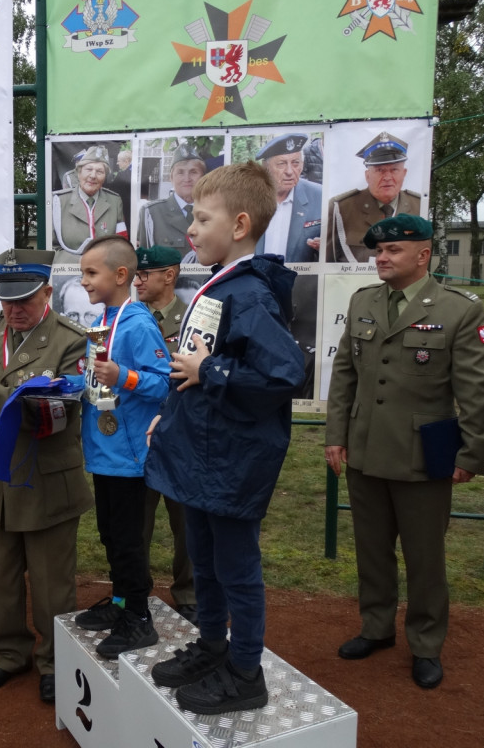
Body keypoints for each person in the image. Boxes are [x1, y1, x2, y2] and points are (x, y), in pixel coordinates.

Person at [143, 163, 304, 715]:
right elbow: (195, 367)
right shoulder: (219, 285)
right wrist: (171, 413)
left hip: (233, 460)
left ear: (239, 224)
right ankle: (213, 646)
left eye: (201, 217)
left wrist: (211, 373)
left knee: (236, 567)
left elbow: (284, 375)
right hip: (203, 452)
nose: (191, 227)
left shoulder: (251, 294)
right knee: (203, 558)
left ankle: (244, 671)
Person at [325, 214, 484, 690]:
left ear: (423, 255)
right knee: (372, 550)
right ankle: (376, 628)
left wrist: (470, 455)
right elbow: (345, 377)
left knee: (425, 558)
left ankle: (425, 643)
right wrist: (335, 435)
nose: (381, 257)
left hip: (425, 453)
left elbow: (478, 391)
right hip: (364, 448)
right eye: (378, 251)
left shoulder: (458, 309)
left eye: (392, 251)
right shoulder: (363, 301)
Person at [0, 249, 93, 704]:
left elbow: (61, 414)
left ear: (47, 292)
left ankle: (55, 661)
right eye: (7, 300)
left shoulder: (71, 339)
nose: (14, 310)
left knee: (52, 584)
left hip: (47, 478)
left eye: (25, 299)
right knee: (2, 578)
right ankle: (9, 655)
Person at [73, 237, 171, 659]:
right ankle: (118, 604)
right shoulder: (106, 322)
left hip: (131, 456)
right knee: (111, 534)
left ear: (120, 275)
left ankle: (138, 619)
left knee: (129, 540)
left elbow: (165, 384)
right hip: (105, 453)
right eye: (82, 273)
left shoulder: (137, 323)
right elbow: (97, 380)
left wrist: (125, 376)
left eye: (91, 273)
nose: (83, 282)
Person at [132, 245, 196, 623]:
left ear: (169, 275)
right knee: (134, 524)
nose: (136, 280)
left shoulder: (192, 321)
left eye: (145, 274)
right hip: (136, 438)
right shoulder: (127, 318)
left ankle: (189, 594)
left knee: (186, 523)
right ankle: (134, 593)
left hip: (179, 438)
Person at [325, 132, 421, 263]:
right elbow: (329, 262)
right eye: (380, 170)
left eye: (394, 170)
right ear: (367, 175)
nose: (387, 177)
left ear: (404, 174)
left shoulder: (419, 205)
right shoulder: (342, 208)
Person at [254, 133, 321, 263]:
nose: (290, 171)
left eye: (295, 163)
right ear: (265, 167)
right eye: (281, 164)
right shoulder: (245, 198)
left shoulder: (319, 196)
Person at [52, 145, 126, 259]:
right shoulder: (59, 202)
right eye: (89, 169)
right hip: (69, 271)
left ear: (105, 177)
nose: (93, 176)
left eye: (100, 171)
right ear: (79, 172)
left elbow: (121, 245)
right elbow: (52, 248)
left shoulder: (115, 201)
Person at [137, 143, 207, 259]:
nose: (187, 179)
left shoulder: (214, 211)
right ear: (171, 178)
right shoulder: (152, 213)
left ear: (203, 177)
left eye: (193, 172)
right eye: (180, 172)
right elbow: (146, 260)